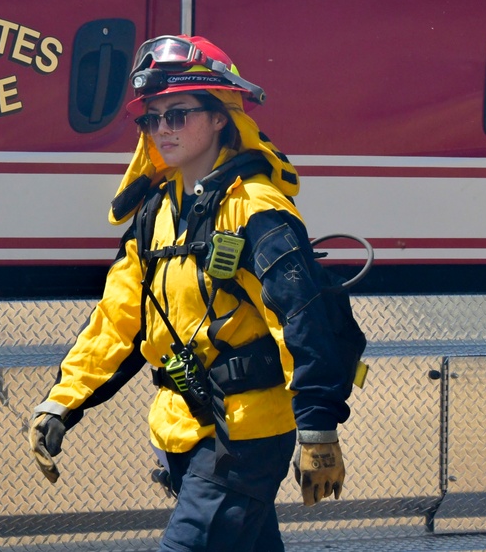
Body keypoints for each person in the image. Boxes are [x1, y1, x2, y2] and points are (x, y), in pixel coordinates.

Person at [28, 35, 355, 551]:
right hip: (182, 431)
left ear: (221, 115)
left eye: (177, 114)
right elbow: (117, 322)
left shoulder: (257, 209)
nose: (162, 129)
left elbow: (302, 319)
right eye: (151, 119)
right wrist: (60, 403)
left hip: (246, 434)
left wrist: (317, 428)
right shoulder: (154, 215)